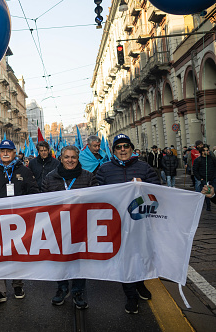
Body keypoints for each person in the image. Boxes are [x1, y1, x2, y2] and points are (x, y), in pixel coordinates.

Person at [95, 134, 159, 314]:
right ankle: (131, 295)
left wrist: (144, 185)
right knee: (125, 259)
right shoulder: (105, 169)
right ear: (114, 150)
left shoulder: (144, 167)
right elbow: (98, 193)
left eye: (126, 146)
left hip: (140, 223)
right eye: (118, 147)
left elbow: (157, 187)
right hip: (118, 224)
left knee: (140, 255)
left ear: (131, 148)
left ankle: (140, 283)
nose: (122, 150)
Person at [42, 145, 98, 310]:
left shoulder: (88, 177)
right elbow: (43, 202)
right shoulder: (50, 178)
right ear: (61, 158)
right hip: (58, 227)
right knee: (60, 259)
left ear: (78, 158)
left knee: (79, 261)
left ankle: (78, 290)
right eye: (67, 157)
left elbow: (96, 201)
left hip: (81, 227)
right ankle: (62, 288)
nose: (70, 160)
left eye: (73, 157)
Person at [0, 140, 39, 304]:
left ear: (15, 152)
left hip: (18, 221)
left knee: (16, 254)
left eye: (9, 150)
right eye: (2, 150)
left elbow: (34, 192)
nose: (5, 153)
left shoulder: (24, 171)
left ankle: (17, 285)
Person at [192, 146, 216, 211]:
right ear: (202, 152)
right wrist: (200, 178)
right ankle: (208, 206)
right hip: (204, 179)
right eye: (206, 150)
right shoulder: (198, 160)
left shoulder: (212, 158)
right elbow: (195, 170)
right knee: (207, 192)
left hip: (213, 178)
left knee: (214, 191)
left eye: (208, 150)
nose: (208, 151)